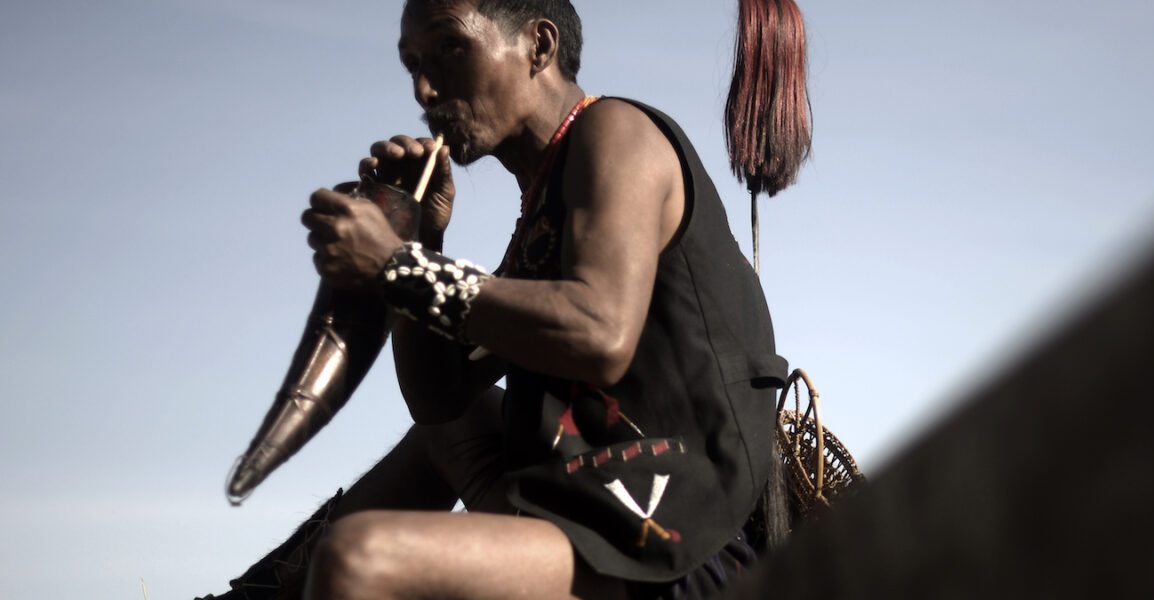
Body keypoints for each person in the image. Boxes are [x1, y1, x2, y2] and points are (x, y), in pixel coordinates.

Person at [204, 0, 811, 597]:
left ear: (538, 47)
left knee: (358, 560)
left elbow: (600, 335)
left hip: (668, 544)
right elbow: (437, 402)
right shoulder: (539, 217)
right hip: (589, 508)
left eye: (449, 47)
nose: (422, 89)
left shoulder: (616, 132)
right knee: (451, 428)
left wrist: (397, 266)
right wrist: (423, 240)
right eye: (411, 62)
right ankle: (264, 593)